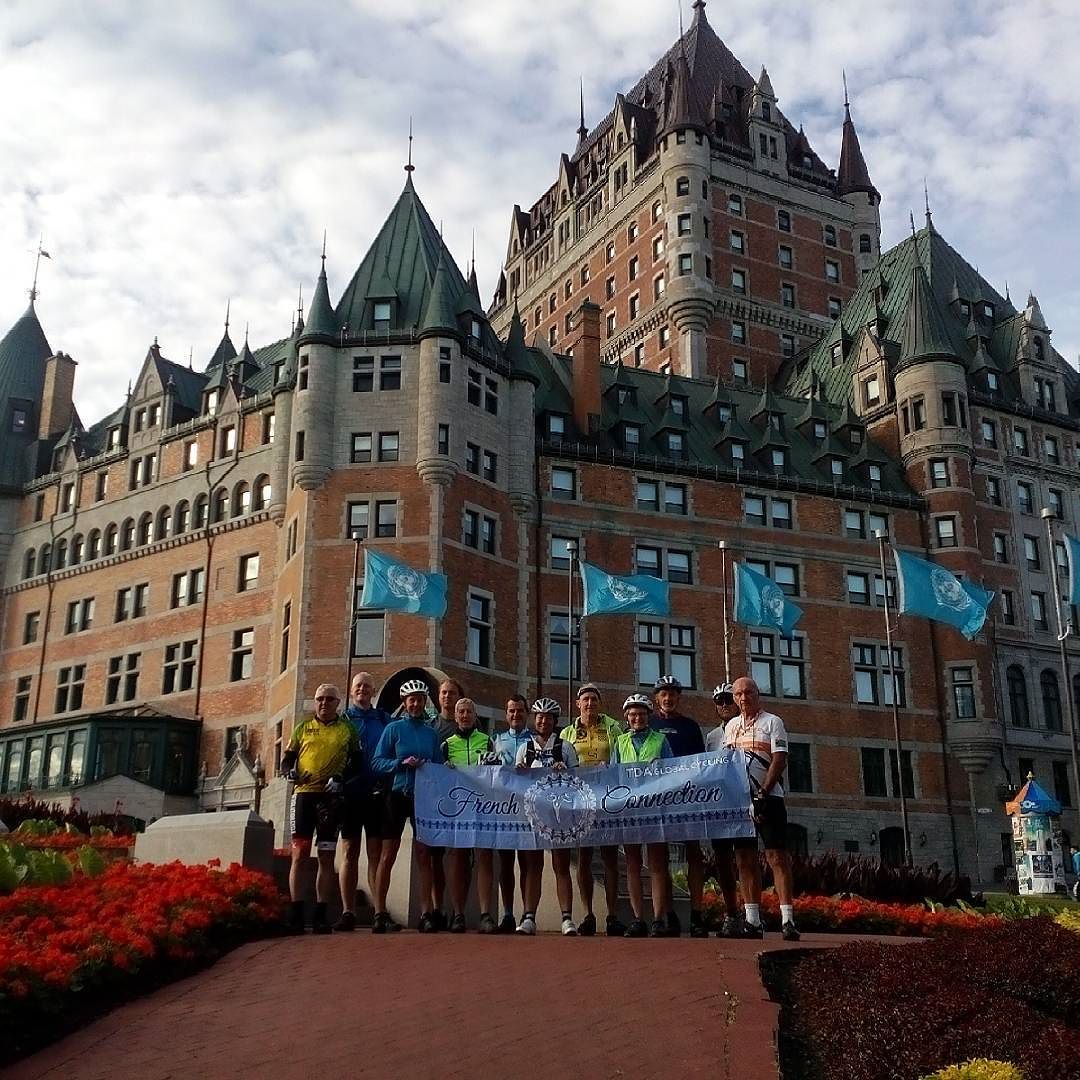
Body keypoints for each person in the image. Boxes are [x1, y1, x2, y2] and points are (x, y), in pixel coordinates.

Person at [721, 676, 800, 941]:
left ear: (758, 694)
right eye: (739, 694)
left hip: (769, 798)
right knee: (744, 859)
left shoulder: (773, 722)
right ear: (734, 698)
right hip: (741, 802)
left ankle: (788, 919)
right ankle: (753, 920)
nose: (744, 698)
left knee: (777, 857)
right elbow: (725, 764)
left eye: (749, 692)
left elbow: (780, 759)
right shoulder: (730, 726)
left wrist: (764, 793)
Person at [281, 684, 360, 934]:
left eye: (329, 699)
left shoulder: (347, 728)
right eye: (319, 699)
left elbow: (357, 763)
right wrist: (288, 771)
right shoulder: (302, 727)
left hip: (331, 800)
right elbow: (287, 759)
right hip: (303, 796)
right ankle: (296, 914)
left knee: (326, 857)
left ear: (338, 703)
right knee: (299, 855)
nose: (324, 703)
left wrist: (341, 778)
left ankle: (321, 915)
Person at [371, 679, 444, 933]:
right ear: (404, 703)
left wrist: (433, 768)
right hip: (396, 794)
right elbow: (377, 762)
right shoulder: (393, 729)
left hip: (422, 798)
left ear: (425, 703)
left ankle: (426, 913)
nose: (415, 703)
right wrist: (399, 764)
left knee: (424, 854)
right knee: (388, 853)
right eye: (411, 700)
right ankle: (379, 912)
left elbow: (439, 767)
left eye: (420, 699)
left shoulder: (431, 734)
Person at [560, 683, 627, 937]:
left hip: (607, 799)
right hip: (579, 802)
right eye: (585, 700)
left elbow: (621, 758)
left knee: (611, 857)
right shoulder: (567, 733)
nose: (589, 704)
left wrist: (608, 764)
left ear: (599, 703)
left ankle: (612, 915)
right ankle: (588, 914)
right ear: (578, 704)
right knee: (584, 858)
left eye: (593, 700)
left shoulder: (612, 728)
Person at [515, 697, 580, 935]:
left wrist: (568, 771)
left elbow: (580, 779)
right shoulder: (525, 747)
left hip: (559, 813)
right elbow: (514, 782)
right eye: (539, 716)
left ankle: (566, 918)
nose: (543, 721)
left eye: (548, 717)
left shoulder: (565, 747)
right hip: (533, 813)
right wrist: (520, 771)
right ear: (534, 719)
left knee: (561, 865)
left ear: (554, 721)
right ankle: (529, 916)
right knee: (533, 866)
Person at [650, 674, 707, 938]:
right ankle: (666, 915)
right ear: (657, 697)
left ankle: (697, 915)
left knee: (694, 854)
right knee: (658, 858)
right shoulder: (647, 724)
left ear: (678, 697)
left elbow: (701, 764)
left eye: (673, 693)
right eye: (664, 693)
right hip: (657, 800)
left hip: (686, 798)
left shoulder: (690, 727)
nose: (668, 698)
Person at [612, 693, 673, 937]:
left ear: (648, 716)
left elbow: (672, 772)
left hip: (654, 807)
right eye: (632, 714)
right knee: (632, 864)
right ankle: (638, 918)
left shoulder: (661, 740)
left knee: (657, 864)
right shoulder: (620, 742)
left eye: (641, 714)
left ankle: (658, 919)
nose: (637, 717)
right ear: (626, 717)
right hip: (628, 808)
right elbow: (613, 775)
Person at [336, 671, 391, 932]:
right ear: (351, 689)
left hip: (377, 793)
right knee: (349, 852)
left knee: (375, 854)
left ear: (373, 690)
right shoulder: (343, 720)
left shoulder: (383, 718)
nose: (363, 690)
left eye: (367, 686)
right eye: (358, 686)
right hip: (349, 793)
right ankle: (348, 911)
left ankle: (380, 910)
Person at [442, 697, 496, 933]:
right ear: (455, 716)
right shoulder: (446, 744)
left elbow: (496, 774)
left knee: (484, 857)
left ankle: (485, 914)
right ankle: (458, 913)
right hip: (457, 809)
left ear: (475, 716)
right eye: (460, 712)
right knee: (458, 859)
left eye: (468, 712)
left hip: (482, 807)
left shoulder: (486, 741)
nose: (464, 716)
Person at [704, 683, 749, 938]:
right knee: (722, 861)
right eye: (719, 701)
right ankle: (732, 913)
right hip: (720, 805)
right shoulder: (712, 737)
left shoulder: (751, 728)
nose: (724, 705)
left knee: (746, 860)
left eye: (727, 700)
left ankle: (752, 914)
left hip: (744, 803)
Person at [488, 694, 533, 932]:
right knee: (505, 863)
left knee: (526, 862)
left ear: (527, 713)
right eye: (511, 711)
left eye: (520, 711)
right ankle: (507, 913)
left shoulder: (536, 741)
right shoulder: (496, 740)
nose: (516, 715)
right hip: (503, 808)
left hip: (528, 810)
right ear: (506, 714)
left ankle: (527, 913)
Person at [428, 678, 463, 929]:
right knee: (435, 858)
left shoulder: (471, 726)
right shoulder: (431, 727)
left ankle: (458, 910)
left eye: (452, 693)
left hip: (463, 802)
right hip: (436, 800)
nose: (447, 697)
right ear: (438, 697)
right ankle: (437, 908)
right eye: (443, 693)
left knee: (459, 857)